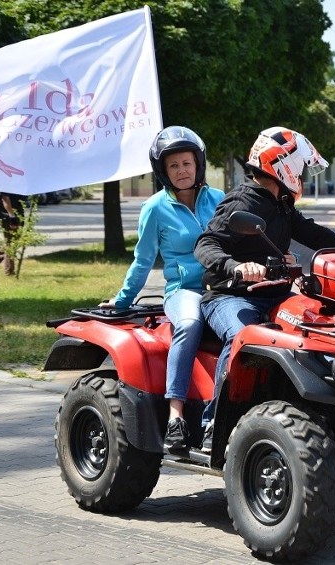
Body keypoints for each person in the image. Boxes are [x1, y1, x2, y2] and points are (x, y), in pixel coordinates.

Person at [194, 126, 335, 451]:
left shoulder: (280, 204)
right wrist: (236, 267)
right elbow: (206, 243)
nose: (303, 176)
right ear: (282, 165)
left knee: (320, 325)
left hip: (275, 293)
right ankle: (215, 422)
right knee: (242, 333)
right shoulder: (243, 201)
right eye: (301, 169)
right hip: (228, 296)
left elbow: (314, 234)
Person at [99, 126, 224, 451]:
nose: (182, 171)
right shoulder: (155, 208)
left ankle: (223, 413)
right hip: (185, 291)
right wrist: (124, 299)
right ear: (163, 171)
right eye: (174, 166)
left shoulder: (220, 200)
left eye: (187, 163)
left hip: (224, 288)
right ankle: (176, 417)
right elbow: (142, 261)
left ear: (198, 164)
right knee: (189, 324)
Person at [0, 191, 27, 276]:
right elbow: (5, 200)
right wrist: (12, 217)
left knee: (13, 242)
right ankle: (9, 271)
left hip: (16, 214)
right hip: (8, 217)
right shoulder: (6, 183)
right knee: (11, 243)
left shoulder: (15, 182)